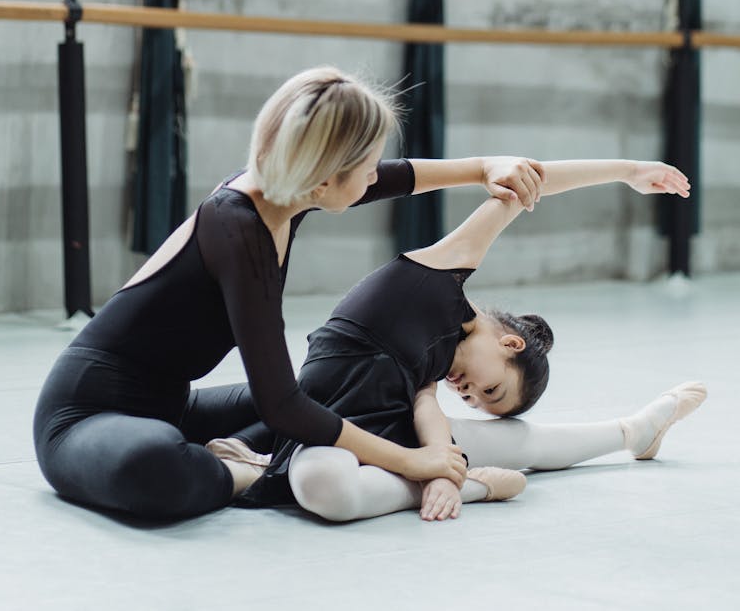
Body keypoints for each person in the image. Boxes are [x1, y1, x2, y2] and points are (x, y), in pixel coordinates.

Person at [33, 65, 547, 521]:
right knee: (156, 464)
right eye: (366, 164)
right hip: (84, 416)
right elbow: (280, 405)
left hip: (171, 405)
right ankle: (267, 477)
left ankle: (251, 460)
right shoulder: (239, 229)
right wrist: (411, 461)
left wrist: (485, 168)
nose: (374, 175)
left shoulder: (285, 195)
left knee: (330, 396)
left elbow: (400, 178)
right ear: (324, 178)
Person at [208, 157, 705, 523]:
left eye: (474, 399)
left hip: (378, 435)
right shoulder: (443, 271)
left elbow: (429, 413)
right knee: (320, 482)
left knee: (329, 487)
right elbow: (528, 180)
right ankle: (475, 484)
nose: (468, 394)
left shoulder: (431, 373)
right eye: (491, 391)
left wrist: (442, 469)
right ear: (510, 345)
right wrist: (628, 171)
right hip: (327, 426)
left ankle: (631, 431)